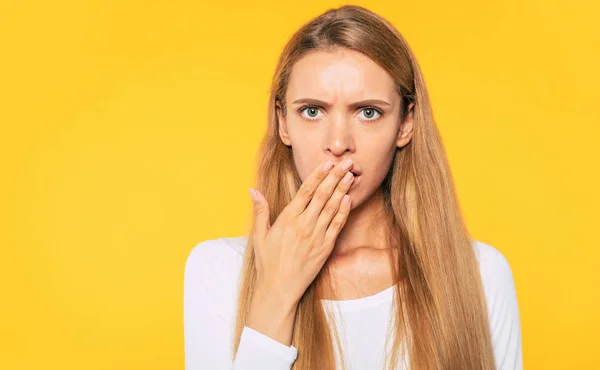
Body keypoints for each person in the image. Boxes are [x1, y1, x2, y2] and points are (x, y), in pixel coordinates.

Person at [184, 4, 522, 370]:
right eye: (312, 111)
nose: (339, 142)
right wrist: (275, 295)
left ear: (405, 124)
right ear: (283, 123)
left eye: (368, 112)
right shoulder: (219, 270)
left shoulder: (480, 275)